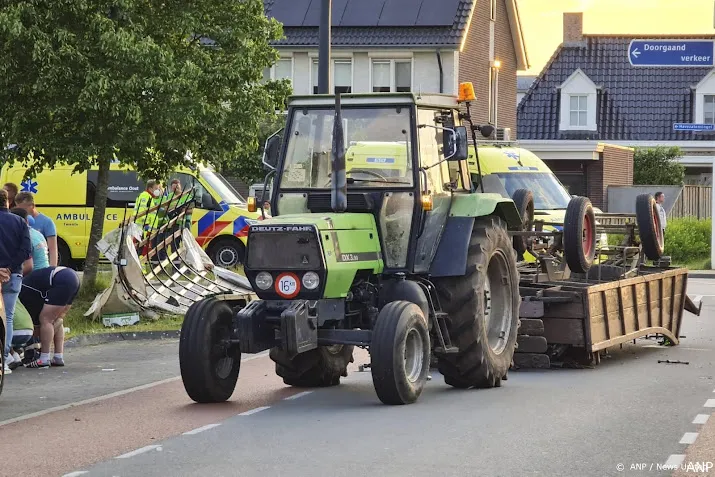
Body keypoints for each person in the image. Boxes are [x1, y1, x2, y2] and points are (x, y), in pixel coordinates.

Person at [19, 266, 80, 368]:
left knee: (45, 319)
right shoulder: (27, 284)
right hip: (72, 277)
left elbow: (35, 328)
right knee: (57, 319)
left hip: (61, 279)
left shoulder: (22, 292)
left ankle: (44, 358)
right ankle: (58, 357)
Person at [0, 189, 32, 375]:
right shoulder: (19, 222)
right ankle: (4, 359)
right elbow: (25, 250)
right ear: (7, 203)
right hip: (13, 275)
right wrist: (9, 269)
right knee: (8, 317)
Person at [14, 191, 58, 267]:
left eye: (24, 209)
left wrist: (52, 269)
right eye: (18, 209)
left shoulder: (47, 222)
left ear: (33, 206)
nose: (21, 212)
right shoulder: (18, 220)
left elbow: (53, 249)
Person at [11, 207, 50, 274]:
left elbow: (28, 266)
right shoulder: (38, 234)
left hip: (35, 276)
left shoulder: (25, 237)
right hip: (47, 273)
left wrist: (10, 274)